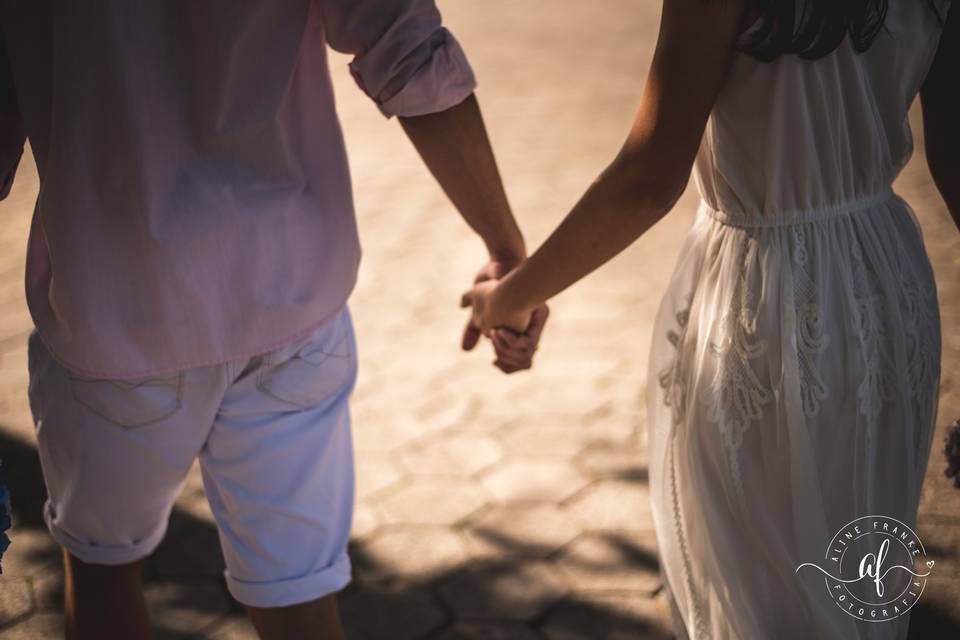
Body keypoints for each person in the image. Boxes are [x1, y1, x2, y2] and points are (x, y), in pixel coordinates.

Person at [0, 1, 547, 638]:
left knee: (102, 570)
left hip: (115, 305)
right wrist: (506, 249)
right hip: (289, 295)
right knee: (298, 596)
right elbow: (406, 43)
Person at [463, 0, 958, 637]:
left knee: (767, 594)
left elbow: (648, 175)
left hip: (765, 296)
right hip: (887, 286)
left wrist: (509, 300)